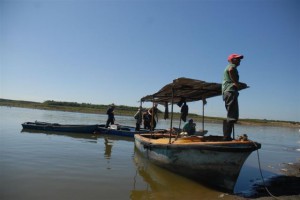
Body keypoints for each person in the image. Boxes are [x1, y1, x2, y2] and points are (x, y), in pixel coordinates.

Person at [222, 53, 244, 140]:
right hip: (230, 92)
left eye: (239, 59)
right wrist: (236, 83)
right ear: (231, 60)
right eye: (237, 59)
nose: (239, 60)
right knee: (232, 115)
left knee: (231, 114)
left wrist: (240, 84)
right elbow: (231, 70)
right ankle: (226, 137)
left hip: (228, 92)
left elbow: (230, 80)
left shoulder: (228, 67)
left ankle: (226, 136)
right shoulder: (232, 66)